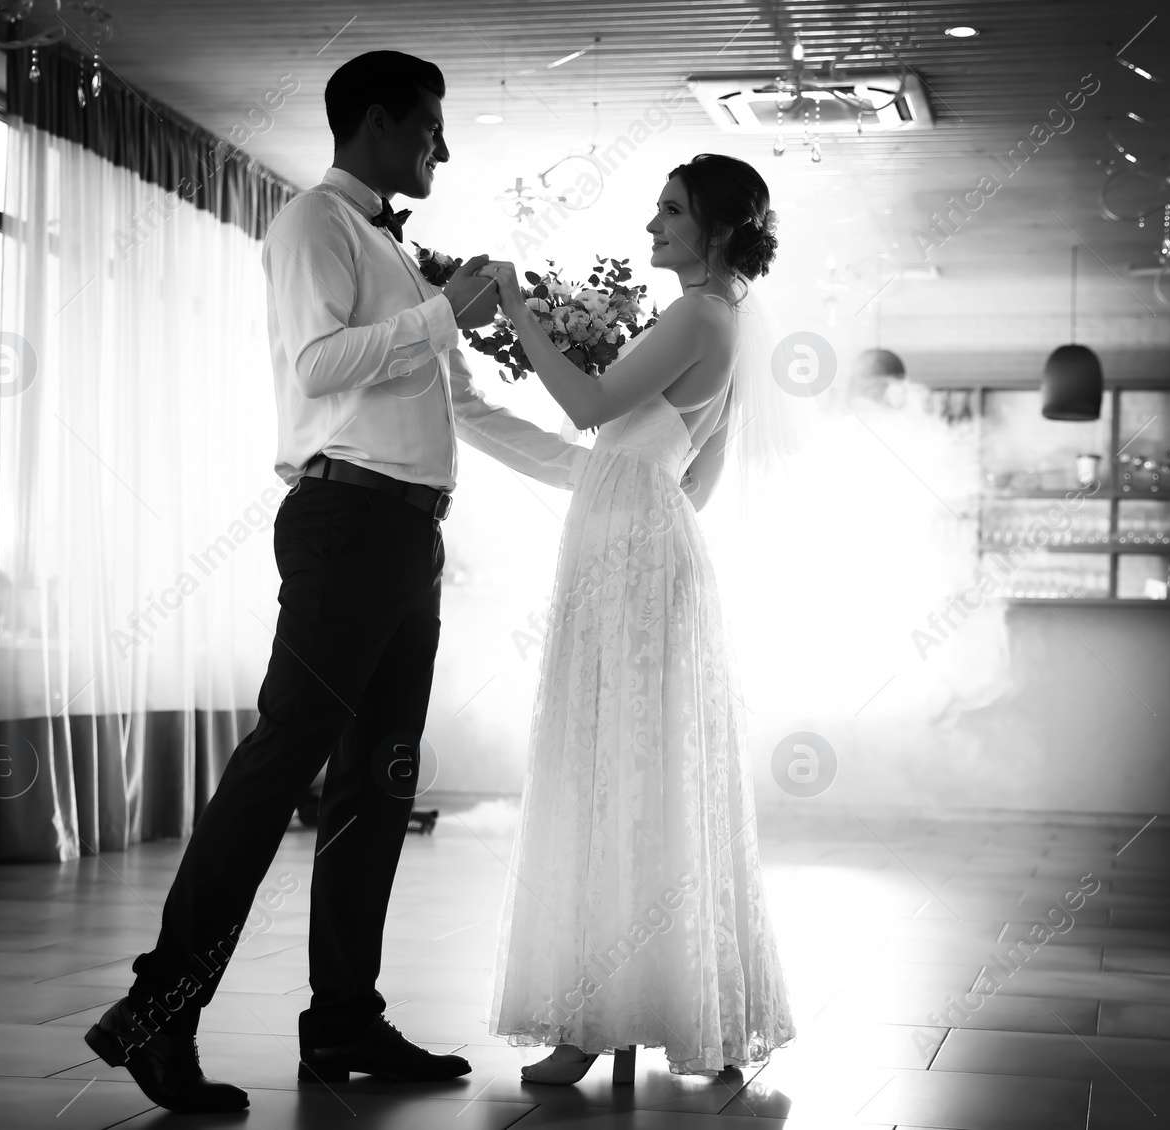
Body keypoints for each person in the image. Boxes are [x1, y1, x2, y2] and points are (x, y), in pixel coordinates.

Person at [82, 51, 591, 1113]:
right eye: (427, 130)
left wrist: (602, 474)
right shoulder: (311, 222)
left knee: (380, 780)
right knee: (281, 765)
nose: (440, 149)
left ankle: (345, 1020)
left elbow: (465, 409)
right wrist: (446, 307)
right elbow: (317, 367)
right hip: (344, 523)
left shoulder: (389, 253)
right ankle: (159, 1009)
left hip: (408, 538)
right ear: (373, 121)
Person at [473, 153, 797, 1083]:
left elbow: (586, 406)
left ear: (721, 228)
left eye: (669, 211)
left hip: (627, 557)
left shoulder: (698, 314)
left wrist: (515, 302)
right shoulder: (722, 320)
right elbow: (700, 477)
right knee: (647, 772)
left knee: (608, 765)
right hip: (653, 547)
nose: (651, 226)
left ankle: (593, 1023)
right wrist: (636, 495)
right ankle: (648, 1009)